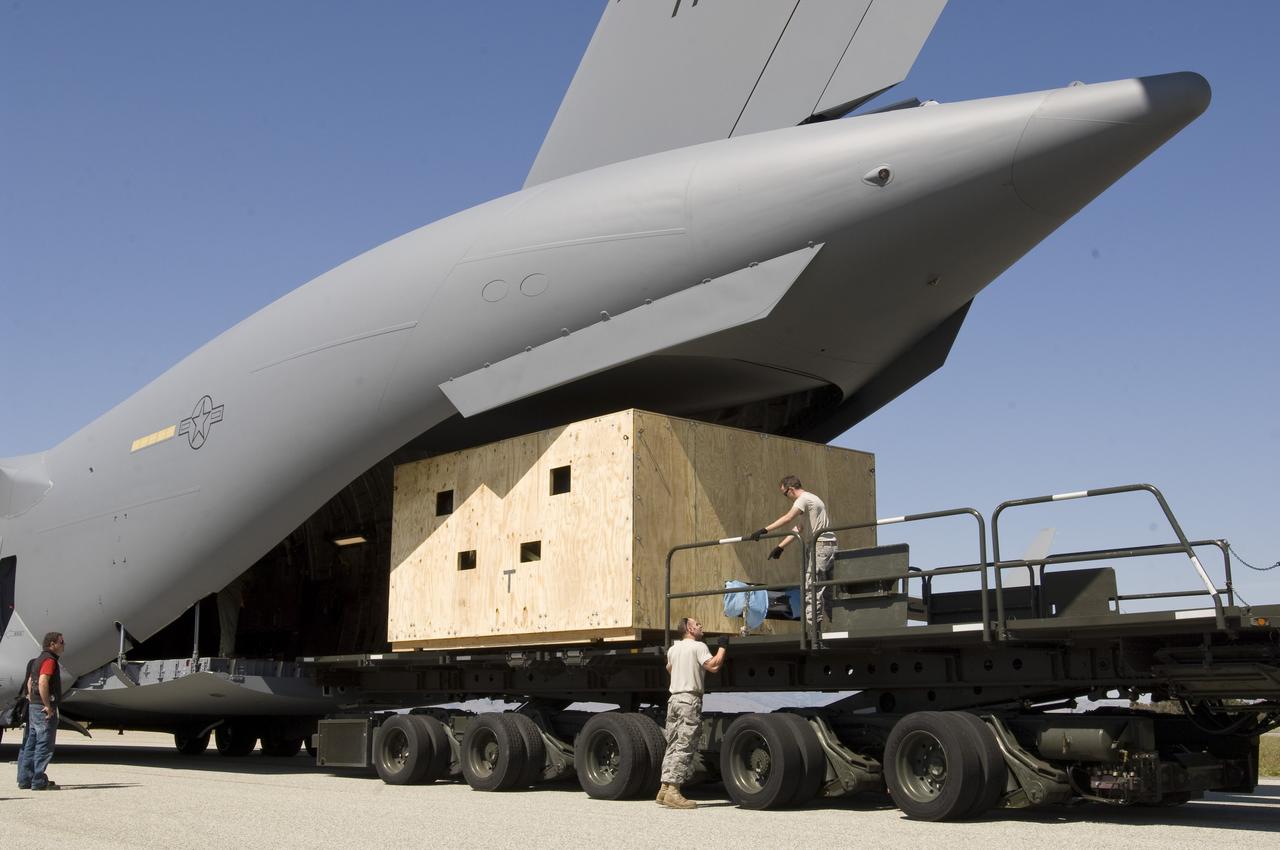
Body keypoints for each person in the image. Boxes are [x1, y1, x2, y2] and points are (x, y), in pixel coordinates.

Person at [657, 617, 727, 810]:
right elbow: (713, 666)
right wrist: (722, 647)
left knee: (672, 743)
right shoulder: (698, 647)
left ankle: (664, 788)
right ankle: (673, 792)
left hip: (674, 700)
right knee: (685, 744)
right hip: (689, 700)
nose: (701, 627)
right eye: (697, 625)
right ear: (689, 628)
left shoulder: (673, 649)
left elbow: (670, 668)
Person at [750, 475, 837, 628]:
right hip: (828, 546)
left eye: (785, 494)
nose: (786, 498)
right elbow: (799, 528)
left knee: (811, 587)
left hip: (820, 546)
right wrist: (780, 547)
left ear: (790, 490)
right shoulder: (812, 500)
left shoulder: (803, 499)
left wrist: (764, 530)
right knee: (828, 589)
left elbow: (788, 518)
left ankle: (813, 632)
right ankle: (836, 623)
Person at [17, 631, 65, 791]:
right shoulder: (50, 660)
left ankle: (25, 779)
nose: (63, 645)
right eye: (61, 642)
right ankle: (38, 780)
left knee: (31, 742)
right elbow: (43, 681)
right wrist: (47, 705)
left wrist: (33, 700)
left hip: (34, 706)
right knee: (44, 743)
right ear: (52, 644)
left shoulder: (37, 660)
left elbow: (31, 682)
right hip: (43, 708)